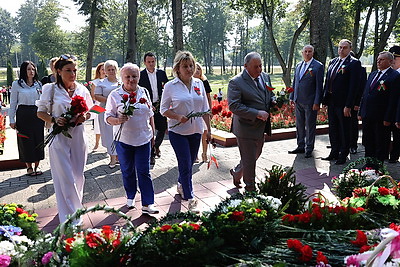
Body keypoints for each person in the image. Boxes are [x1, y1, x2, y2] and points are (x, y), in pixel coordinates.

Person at [36, 54, 93, 224]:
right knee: (65, 177)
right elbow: (40, 113)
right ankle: (73, 216)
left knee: (78, 176)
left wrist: (85, 116)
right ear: (58, 71)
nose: (73, 74)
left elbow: (94, 109)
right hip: (59, 138)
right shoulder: (50, 89)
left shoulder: (82, 89)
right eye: (68, 70)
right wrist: (54, 120)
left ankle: (74, 209)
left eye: (75, 70)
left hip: (78, 137)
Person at [160, 51, 211, 213]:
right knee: (185, 164)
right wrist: (176, 116)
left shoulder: (199, 84)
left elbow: (204, 109)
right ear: (177, 69)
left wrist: (208, 130)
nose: (189, 69)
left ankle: (182, 185)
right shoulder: (170, 86)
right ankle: (190, 198)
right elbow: (162, 110)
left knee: (189, 163)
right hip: (178, 132)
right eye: (185, 66)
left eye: (191, 65)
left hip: (196, 131)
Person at [105, 63, 159, 214]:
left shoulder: (144, 92)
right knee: (127, 170)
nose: (131, 80)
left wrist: (153, 135)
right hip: (123, 140)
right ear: (121, 78)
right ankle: (130, 196)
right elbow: (107, 117)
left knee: (144, 171)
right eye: (127, 77)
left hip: (143, 139)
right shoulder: (114, 95)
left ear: (139, 77)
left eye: (134, 76)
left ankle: (148, 203)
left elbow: (150, 114)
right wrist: (117, 120)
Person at [228, 52, 274, 191]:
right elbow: (234, 106)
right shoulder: (236, 82)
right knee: (249, 161)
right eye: (256, 67)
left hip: (261, 127)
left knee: (255, 155)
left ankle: (237, 172)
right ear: (245, 66)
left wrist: (273, 100)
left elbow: (269, 94)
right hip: (246, 127)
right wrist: (257, 113)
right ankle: (250, 190)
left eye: (260, 66)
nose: (259, 69)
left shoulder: (265, 77)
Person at [321, 39, 361, 165]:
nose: (341, 50)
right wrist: (324, 99)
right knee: (333, 128)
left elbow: (353, 86)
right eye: (340, 47)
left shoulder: (354, 63)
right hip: (332, 101)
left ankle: (343, 154)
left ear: (350, 49)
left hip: (343, 103)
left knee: (344, 129)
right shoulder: (333, 61)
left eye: (344, 47)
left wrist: (348, 105)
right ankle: (334, 151)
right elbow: (328, 82)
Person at [358, 51, 400, 163]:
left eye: (382, 59)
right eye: (378, 59)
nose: (378, 61)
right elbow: (366, 94)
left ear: (390, 62)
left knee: (380, 143)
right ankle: (368, 165)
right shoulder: (373, 74)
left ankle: (378, 167)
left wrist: (388, 118)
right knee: (368, 141)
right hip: (368, 115)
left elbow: (393, 100)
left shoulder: (394, 76)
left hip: (381, 117)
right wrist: (361, 111)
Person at [9, 61, 45, 176]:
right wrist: (11, 119)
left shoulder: (38, 84)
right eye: (29, 69)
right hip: (23, 114)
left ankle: (37, 165)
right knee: (25, 140)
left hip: (37, 114)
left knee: (38, 139)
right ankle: (29, 166)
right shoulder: (17, 84)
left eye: (33, 69)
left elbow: (43, 101)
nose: (31, 72)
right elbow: (13, 102)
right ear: (24, 70)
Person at [288, 45, 324, 158]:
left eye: (309, 52)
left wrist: (317, 102)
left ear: (313, 53)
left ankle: (309, 148)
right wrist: (292, 97)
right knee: (299, 125)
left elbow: (319, 86)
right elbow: (295, 82)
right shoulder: (299, 65)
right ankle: (300, 145)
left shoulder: (318, 66)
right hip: (298, 100)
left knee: (310, 125)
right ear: (302, 53)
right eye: (305, 51)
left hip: (310, 101)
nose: (307, 53)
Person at [138, 52, 169, 165]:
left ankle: (156, 146)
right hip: (148, 107)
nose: (151, 64)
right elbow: (139, 92)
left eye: (153, 62)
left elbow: (167, 88)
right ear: (145, 62)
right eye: (149, 62)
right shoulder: (141, 75)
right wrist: (147, 104)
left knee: (162, 128)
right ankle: (151, 155)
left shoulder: (161, 73)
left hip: (160, 105)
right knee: (150, 130)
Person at [95, 60, 120, 168]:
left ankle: (119, 156)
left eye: (113, 69)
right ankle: (112, 158)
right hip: (105, 111)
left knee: (120, 134)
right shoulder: (101, 83)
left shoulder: (121, 82)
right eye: (108, 69)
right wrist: (110, 100)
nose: (111, 71)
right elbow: (97, 96)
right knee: (109, 134)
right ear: (105, 71)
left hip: (119, 111)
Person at [193, 62, 212, 162]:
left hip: (204, 111)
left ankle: (204, 153)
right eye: (195, 69)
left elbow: (208, 98)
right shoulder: (190, 83)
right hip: (194, 112)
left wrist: (210, 110)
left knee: (205, 132)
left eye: (199, 69)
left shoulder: (204, 82)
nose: (197, 71)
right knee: (196, 133)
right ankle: (195, 155)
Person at [387, 46, 400, 163]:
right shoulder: (389, 74)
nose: (393, 61)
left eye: (395, 58)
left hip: (397, 110)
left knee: (397, 135)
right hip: (387, 110)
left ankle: (395, 155)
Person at [90, 62, 105, 151]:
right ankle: (96, 143)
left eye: (105, 69)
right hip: (97, 105)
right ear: (99, 71)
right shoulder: (95, 82)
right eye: (102, 69)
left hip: (108, 105)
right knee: (97, 124)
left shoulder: (110, 81)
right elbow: (93, 95)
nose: (104, 71)